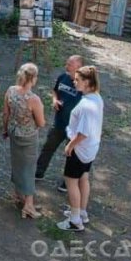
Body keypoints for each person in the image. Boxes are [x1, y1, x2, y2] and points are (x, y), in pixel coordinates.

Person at [57, 65, 104, 232]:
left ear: (87, 82)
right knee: (84, 178)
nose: (74, 82)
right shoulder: (96, 98)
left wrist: (70, 145)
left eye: (78, 80)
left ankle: (75, 220)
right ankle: (81, 211)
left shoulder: (86, 106)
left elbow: (83, 133)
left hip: (79, 149)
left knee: (71, 181)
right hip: (90, 149)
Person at [2, 62, 46, 219]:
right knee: (28, 168)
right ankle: (28, 205)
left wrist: (5, 129)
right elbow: (41, 123)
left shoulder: (11, 91)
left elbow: (5, 113)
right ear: (33, 78)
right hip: (28, 137)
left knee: (17, 164)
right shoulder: (34, 99)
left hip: (13, 132)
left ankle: (18, 194)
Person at [35, 55, 84, 193]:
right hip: (59, 123)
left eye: (69, 64)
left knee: (72, 154)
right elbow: (55, 91)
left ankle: (67, 181)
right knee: (48, 147)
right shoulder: (63, 77)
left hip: (75, 128)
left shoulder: (84, 85)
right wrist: (54, 100)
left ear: (79, 67)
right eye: (67, 62)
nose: (66, 65)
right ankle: (38, 171)